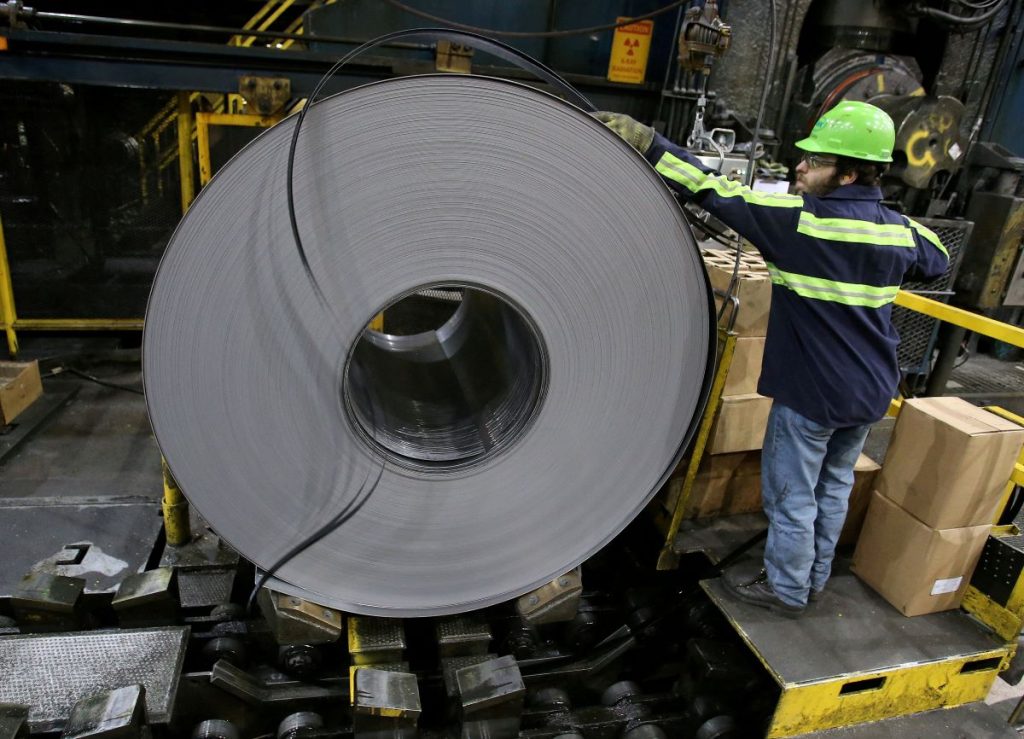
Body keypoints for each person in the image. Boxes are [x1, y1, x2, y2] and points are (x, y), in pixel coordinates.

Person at [596, 102, 949, 617]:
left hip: (812, 395)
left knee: (792, 496)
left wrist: (650, 144)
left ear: (849, 174)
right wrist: (877, 213)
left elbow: (713, 189)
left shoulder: (799, 224)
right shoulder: (897, 233)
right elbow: (938, 256)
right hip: (870, 391)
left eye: (815, 161)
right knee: (833, 488)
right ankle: (814, 579)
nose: (800, 166)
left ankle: (786, 589)